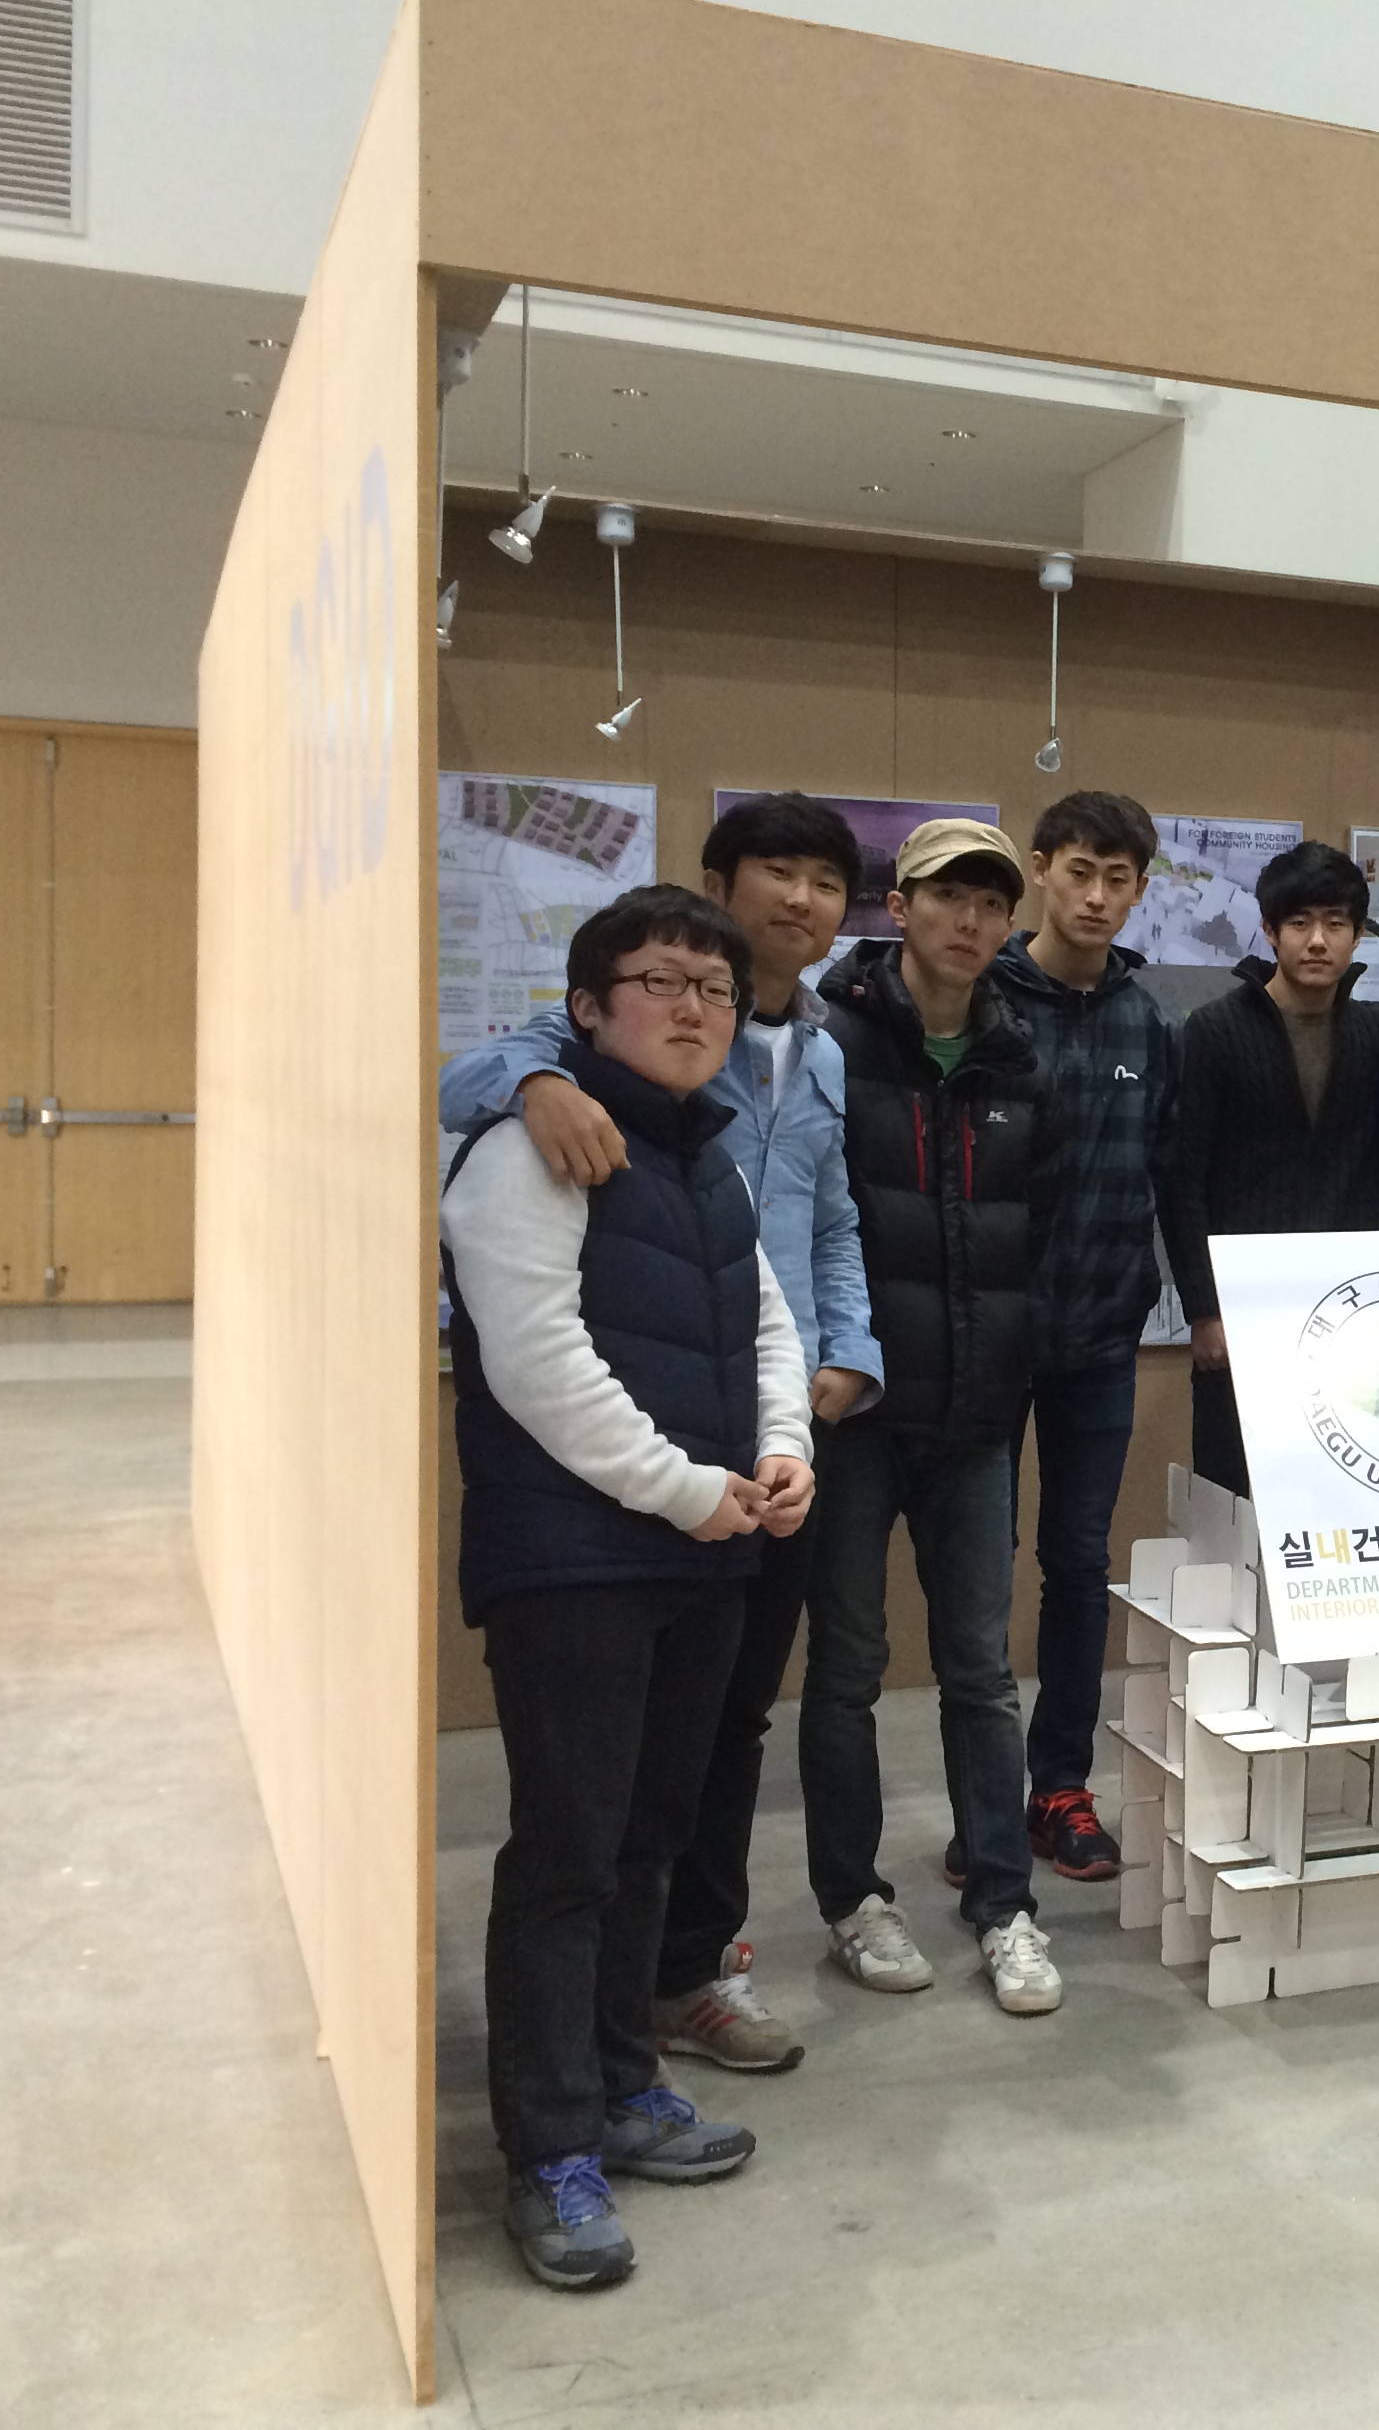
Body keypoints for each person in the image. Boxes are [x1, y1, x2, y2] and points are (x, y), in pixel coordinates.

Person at [439, 791, 880, 2076]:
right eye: (776, 872)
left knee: (711, 1753)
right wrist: (534, 1080)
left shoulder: (816, 1059)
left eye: (825, 881)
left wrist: (834, 1373)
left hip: (755, 1457)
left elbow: (819, 1237)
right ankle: (568, 2107)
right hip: (610, 1509)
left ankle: (680, 1981)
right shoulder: (574, 1071)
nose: (801, 900)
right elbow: (473, 1088)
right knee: (580, 1827)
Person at [440, 883, 814, 2292]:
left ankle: (620, 2085)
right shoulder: (527, 1148)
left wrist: (782, 1450)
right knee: (568, 1856)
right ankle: (550, 2152)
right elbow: (536, 1360)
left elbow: (767, 1324)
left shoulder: (705, 1154)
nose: (692, 1008)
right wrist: (681, 1486)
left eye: (713, 988)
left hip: (701, 1546)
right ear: (588, 1008)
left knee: (652, 1838)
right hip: (575, 1561)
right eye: (660, 982)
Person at [801, 818, 1065, 2020]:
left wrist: (1019, 1357)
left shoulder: (1018, 1057)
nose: (971, 921)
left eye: (991, 903)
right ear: (898, 908)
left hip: (977, 1416)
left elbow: (1041, 1229)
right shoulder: (826, 1040)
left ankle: (1004, 1905)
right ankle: (853, 1899)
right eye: (947, 896)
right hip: (857, 1414)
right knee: (848, 1670)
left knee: (981, 1673)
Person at [992, 789, 1184, 1886]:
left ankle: (1058, 1788)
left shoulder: (1145, 1022)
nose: (1098, 897)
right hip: (983, 1340)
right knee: (977, 1580)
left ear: (1140, 890)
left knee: (1076, 1565)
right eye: (1080, 872)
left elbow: (1170, 1174)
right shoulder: (981, 1000)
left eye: (1119, 879)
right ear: (1040, 870)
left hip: (1101, 1341)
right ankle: (984, 1804)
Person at [1166, 840, 1379, 1493]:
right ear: (1270, 930)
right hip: (1241, 1304)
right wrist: (1204, 1309)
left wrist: (1362, 1201)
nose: (1318, 941)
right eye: (1300, 923)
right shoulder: (1214, 1030)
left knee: (1340, 1487)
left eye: (1336, 923)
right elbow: (1182, 1177)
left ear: (1358, 935)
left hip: (1347, 1304)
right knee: (1234, 1494)